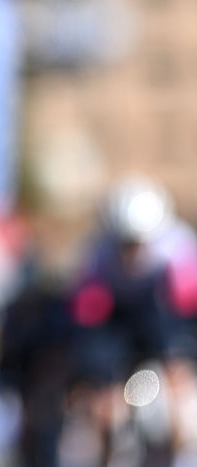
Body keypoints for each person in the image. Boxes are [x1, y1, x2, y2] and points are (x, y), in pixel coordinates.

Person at [59, 174, 197, 465]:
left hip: (165, 318)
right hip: (119, 323)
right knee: (102, 390)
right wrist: (98, 379)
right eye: (126, 244)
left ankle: (180, 441)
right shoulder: (99, 256)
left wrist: (177, 363)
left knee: (177, 377)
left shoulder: (180, 252)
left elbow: (182, 316)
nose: (132, 254)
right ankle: (109, 446)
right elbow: (89, 319)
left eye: (138, 245)